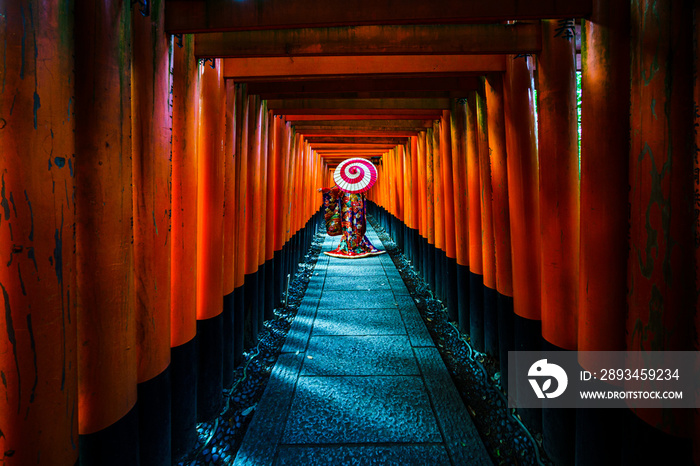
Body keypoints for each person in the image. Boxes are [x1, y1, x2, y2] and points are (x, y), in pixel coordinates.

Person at [319, 185, 385, 259]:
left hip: (349, 204)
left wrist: (325, 190)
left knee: (355, 223)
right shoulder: (359, 183)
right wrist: (325, 189)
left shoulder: (348, 183)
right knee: (350, 223)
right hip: (352, 205)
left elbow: (336, 190)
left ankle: (352, 243)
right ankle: (354, 242)